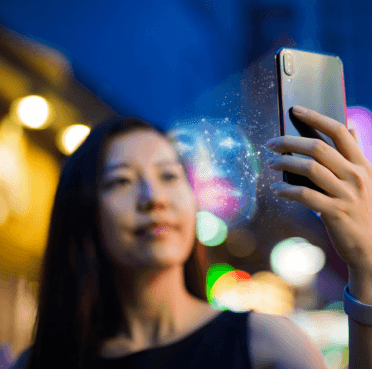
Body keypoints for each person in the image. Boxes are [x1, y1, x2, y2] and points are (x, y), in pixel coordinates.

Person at [10, 106, 372, 368]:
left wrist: (366, 271)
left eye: (169, 176)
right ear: (85, 212)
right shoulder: (40, 363)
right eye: (121, 180)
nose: (154, 198)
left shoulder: (266, 344)